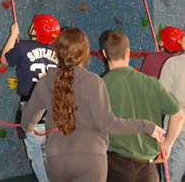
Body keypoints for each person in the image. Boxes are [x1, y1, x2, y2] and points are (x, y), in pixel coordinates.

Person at [21, 27, 164, 182]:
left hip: (57, 161)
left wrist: (31, 127)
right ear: (85, 52)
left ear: (58, 51)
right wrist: (146, 126)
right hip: (90, 160)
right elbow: (109, 124)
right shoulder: (93, 81)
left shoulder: (45, 82)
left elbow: (27, 124)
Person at [102, 30, 184, 182]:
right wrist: (166, 145)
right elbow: (178, 115)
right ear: (128, 52)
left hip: (115, 167)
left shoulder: (102, 85)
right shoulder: (150, 83)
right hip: (148, 170)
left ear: (104, 54)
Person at [0, 14, 61, 182]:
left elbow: (4, 60)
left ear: (35, 30)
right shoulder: (57, 51)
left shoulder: (23, 46)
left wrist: (13, 35)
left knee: (36, 153)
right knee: (48, 152)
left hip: (31, 106)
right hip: (53, 108)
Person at [159, 31, 185, 181]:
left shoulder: (173, 63)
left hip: (175, 126)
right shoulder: (173, 63)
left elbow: (162, 96)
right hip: (177, 126)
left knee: (173, 173)